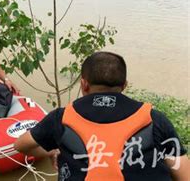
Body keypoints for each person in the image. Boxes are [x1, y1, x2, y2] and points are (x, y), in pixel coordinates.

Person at [14, 52, 189, 181]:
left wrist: (53, 151)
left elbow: (21, 145)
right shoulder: (154, 119)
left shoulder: (61, 117)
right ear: (124, 85)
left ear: (84, 84)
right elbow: (184, 174)